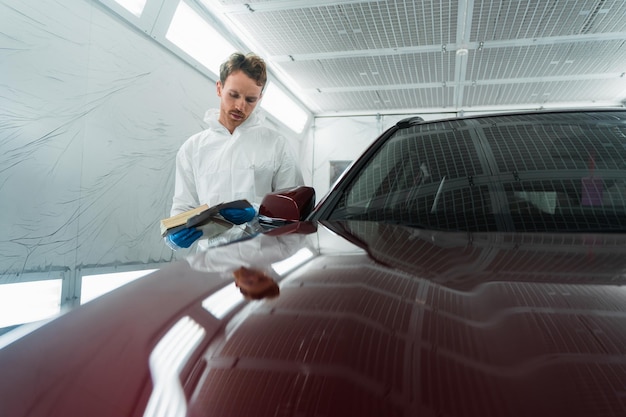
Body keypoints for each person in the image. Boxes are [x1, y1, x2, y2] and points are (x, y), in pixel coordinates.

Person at [166, 52, 304, 251]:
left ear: (260, 98)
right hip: (211, 264)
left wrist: (256, 213)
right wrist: (173, 237)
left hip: (259, 265)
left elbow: (294, 209)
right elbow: (183, 205)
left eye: (250, 99)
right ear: (219, 88)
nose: (240, 106)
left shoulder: (276, 145)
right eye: (234, 95)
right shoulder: (193, 148)